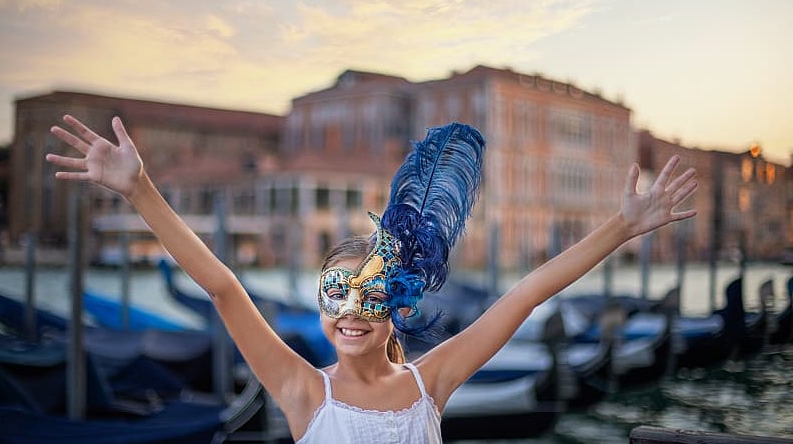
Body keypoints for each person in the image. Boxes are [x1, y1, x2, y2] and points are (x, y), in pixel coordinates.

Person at [47, 114, 696, 443]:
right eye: (335, 292)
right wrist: (140, 191)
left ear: (398, 307)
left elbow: (526, 293)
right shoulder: (302, 392)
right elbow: (223, 287)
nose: (351, 309)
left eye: (370, 293)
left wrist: (621, 226)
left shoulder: (430, 382)